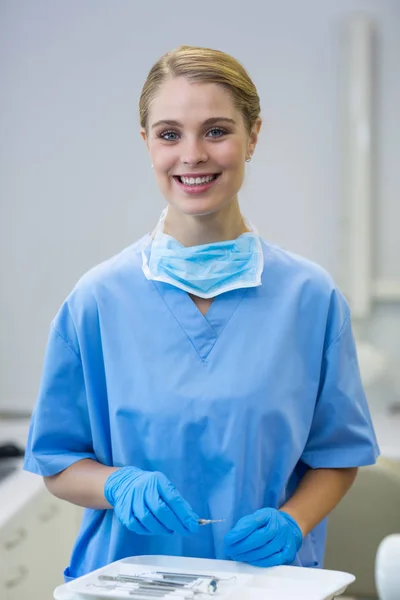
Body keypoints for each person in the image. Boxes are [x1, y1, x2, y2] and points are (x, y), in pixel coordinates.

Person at [23, 45, 379, 582]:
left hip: (265, 583)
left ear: (253, 135)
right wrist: (115, 485)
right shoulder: (97, 301)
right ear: (147, 144)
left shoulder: (310, 299)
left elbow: (337, 453)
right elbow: (57, 462)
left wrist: (293, 521)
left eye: (216, 131)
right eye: (169, 134)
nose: (192, 154)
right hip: (127, 582)